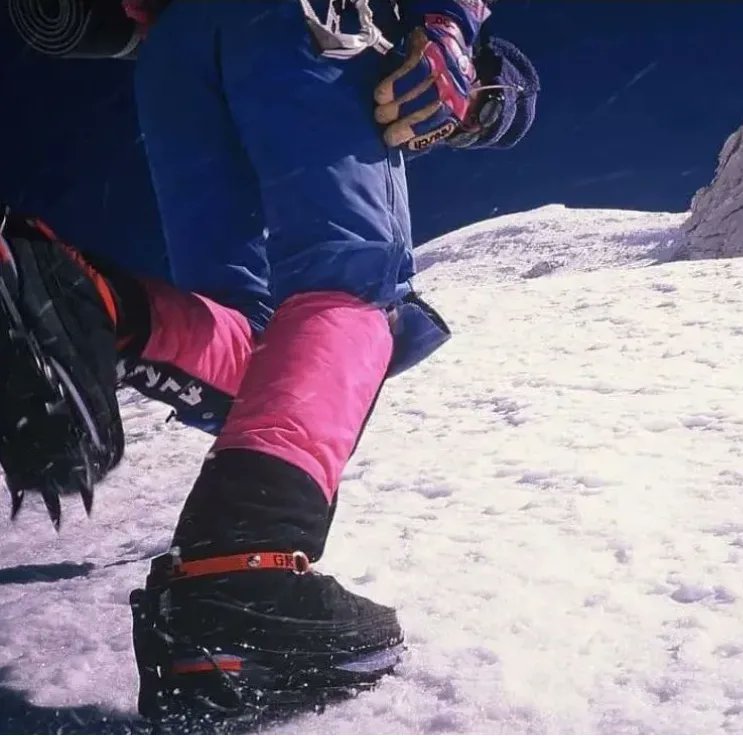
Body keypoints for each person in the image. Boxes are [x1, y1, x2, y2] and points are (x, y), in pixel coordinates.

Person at [0, 0, 538, 722]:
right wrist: (451, 26)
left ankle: (71, 300)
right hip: (300, 21)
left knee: (256, 348)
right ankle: (239, 577)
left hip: (174, 56)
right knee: (352, 286)